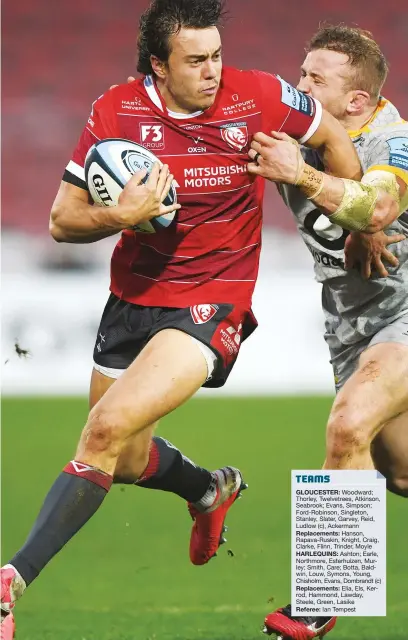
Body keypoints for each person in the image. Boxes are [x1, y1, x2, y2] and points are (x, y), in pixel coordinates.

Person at [0, 1, 366, 636]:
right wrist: (121, 214)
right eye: (196, 60)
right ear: (157, 66)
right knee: (122, 451)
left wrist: (345, 223)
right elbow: (62, 221)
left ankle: (10, 583)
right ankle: (207, 490)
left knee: (104, 431)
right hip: (132, 299)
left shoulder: (258, 97)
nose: (214, 71)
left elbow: (334, 140)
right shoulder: (117, 110)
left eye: (217, 55)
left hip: (214, 298)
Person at [246, 25, 408, 640]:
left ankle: (321, 597)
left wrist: (305, 177)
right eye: (301, 71)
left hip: (405, 314)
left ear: (358, 102)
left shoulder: (395, 141)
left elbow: (382, 206)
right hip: (351, 328)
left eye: (316, 79)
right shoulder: (298, 132)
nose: (300, 85)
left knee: (347, 424)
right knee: (399, 475)